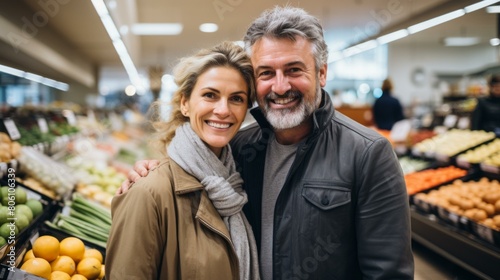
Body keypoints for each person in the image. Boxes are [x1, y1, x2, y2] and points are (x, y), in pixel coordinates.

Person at [120, 6, 414, 279]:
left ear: (321, 73)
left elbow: (387, 273)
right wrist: (154, 174)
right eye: (266, 73)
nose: (281, 86)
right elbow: (192, 176)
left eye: (294, 70)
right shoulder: (240, 150)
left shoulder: (367, 154)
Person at [106, 41, 260, 280]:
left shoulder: (239, 183)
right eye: (210, 95)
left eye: (236, 99)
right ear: (185, 103)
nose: (223, 110)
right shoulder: (148, 193)